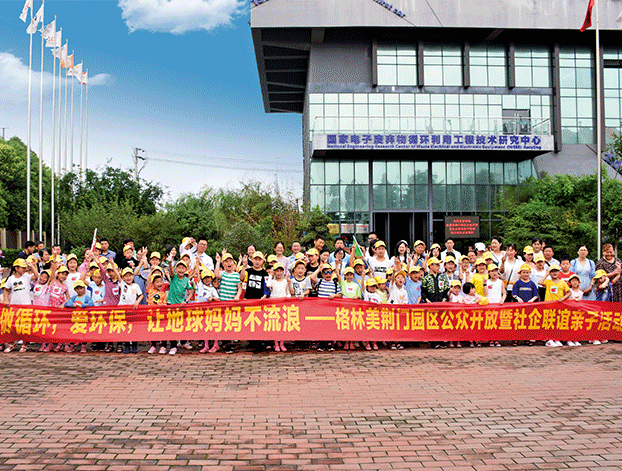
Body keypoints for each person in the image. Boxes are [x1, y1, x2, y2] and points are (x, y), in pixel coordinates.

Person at [3, 258, 38, 353]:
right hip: (14, 305)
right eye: (22, 267)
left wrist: (32, 266)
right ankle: (12, 343)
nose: (24, 269)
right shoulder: (11, 278)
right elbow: (6, 289)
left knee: (25, 325)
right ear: (16, 268)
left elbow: (36, 276)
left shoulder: (27, 276)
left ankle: (24, 344)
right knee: (12, 325)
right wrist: (6, 300)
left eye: (25, 267)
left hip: (26, 304)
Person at [211, 252, 242, 353]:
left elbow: (239, 288)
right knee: (224, 323)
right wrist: (217, 262)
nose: (229, 263)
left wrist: (237, 295)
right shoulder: (223, 274)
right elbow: (216, 275)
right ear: (223, 264)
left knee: (231, 323)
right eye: (226, 261)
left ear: (234, 263)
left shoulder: (236, 275)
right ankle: (226, 345)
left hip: (233, 303)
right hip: (223, 303)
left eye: (230, 261)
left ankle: (228, 343)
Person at [539, 264, 571, 348]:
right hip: (548, 306)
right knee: (549, 323)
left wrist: (563, 298)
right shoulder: (548, 282)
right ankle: (549, 339)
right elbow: (540, 282)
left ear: (559, 272)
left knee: (557, 323)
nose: (554, 273)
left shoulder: (563, 283)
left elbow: (569, 292)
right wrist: (546, 274)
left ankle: (556, 338)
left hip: (558, 306)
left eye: (556, 271)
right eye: (552, 271)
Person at [114, 266, 144, 354]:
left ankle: (134, 345)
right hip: (123, 310)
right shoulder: (123, 284)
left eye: (130, 275)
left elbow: (141, 295)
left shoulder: (136, 286)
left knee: (133, 328)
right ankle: (126, 345)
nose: (128, 278)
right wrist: (112, 264)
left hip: (133, 310)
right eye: (126, 276)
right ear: (123, 277)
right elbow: (117, 274)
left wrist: (137, 302)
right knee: (125, 327)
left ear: (133, 276)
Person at [266, 263, 294, 352]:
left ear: (283, 272)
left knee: (282, 325)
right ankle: (276, 343)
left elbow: (288, 293)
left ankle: (282, 343)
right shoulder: (272, 281)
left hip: (283, 305)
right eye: (277, 271)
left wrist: (286, 300)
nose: (279, 273)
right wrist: (270, 275)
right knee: (275, 324)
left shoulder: (285, 282)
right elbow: (268, 285)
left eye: (280, 271)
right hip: (274, 305)